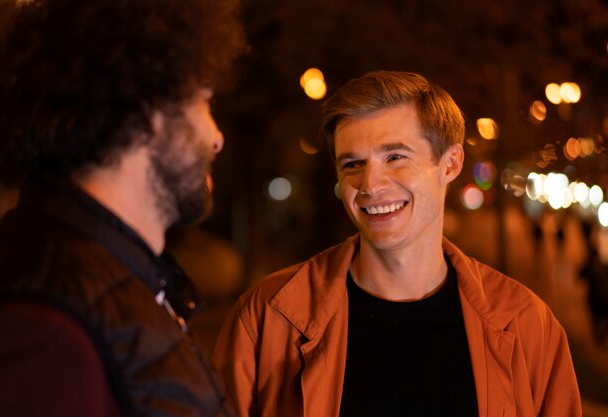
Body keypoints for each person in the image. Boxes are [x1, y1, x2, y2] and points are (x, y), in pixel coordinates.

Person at [213, 71, 582, 417]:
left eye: (395, 157)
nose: (370, 185)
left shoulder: (527, 327)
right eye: (353, 164)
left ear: (450, 163)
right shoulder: (268, 318)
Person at [0, 0, 244, 416]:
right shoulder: (42, 327)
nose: (217, 137)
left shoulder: (120, 276)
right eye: (203, 102)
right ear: (146, 113)